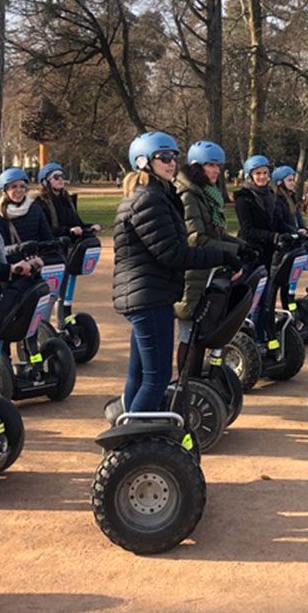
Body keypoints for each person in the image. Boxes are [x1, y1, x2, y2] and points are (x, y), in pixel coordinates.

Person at [112, 132, 241, 412]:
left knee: (140, 374)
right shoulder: (148, 199)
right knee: (156, 378)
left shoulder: (156, 195)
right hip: (148, 297)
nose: (171, 163)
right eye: (164, 158)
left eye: (174, 157)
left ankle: (130, 430)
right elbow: (173, 253)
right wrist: (223, 256)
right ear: (144, 162)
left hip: (148, 294)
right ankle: (137, 441)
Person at [173, 140, 253, 368]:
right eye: (211, 166)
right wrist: (232, 252)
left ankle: (198, 382)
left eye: (219, 166)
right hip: (193, 271)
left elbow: (216, 234)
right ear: (197, 167)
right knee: (189, 330)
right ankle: (187, 385)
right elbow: (195, 238)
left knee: (202, 328)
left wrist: (241, 246)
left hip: (208, 268)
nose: (217, 171)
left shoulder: (206, 194)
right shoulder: (188, 195)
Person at [234, 154, 296, 339]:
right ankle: (246, 337)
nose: (262, 177)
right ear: (249, 176)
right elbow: (248, 230)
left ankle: (260, 337)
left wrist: (294, 232)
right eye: (258, 173)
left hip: (269, 255)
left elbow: (278, 223)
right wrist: (275, 237)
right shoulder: (243, 198)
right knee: (249, 301)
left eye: (265, 173)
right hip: (251, 254)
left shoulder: (271, 196)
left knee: (265, 300)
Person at [34, 162, 101, 238]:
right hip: (53, 245)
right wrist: (68, 230)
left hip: (71, 242)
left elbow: (77, 224)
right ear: (45, 182)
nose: (60, 179)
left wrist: (90, 226)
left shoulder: (68, 200)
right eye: (56, 177)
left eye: (62, 176)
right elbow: (45, 229)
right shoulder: (41, 202)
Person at [0, 168, 54, 247]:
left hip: (38, 257)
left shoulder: (35, 209)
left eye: (22, 186)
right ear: (5, 191)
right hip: (13, 259)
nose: (19, 190)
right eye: (14, 187)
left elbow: (48, 239)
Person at [272, 165, 307, 234]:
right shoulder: (276, 200)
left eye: (293, 180)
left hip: (295, 235)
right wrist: (295, 231)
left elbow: (298, 216)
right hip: (286, 237)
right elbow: (280, 223)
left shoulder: (292, 197)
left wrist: (304, 228)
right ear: (280, 182)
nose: (293, 183)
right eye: (289, 180)